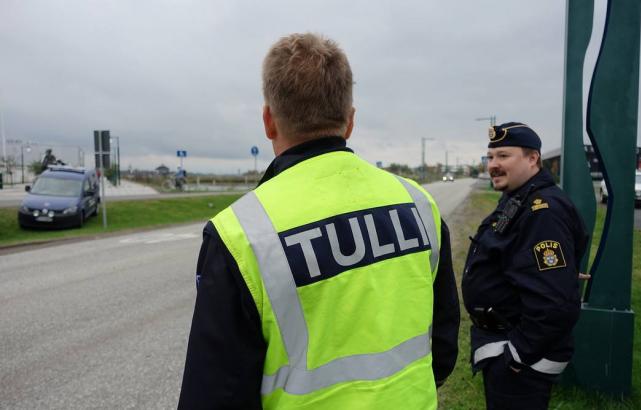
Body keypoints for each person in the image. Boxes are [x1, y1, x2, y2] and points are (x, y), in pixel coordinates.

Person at [178, 33, 460, 410]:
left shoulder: (240, 234)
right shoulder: (418, 204)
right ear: (350, 121)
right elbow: (443, 340)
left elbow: (214, 394)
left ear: (268, 121)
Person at [462, 122, 589, 410]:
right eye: (491, 157)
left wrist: (518, 356)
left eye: (504, 156)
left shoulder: (543, 210)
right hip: (504, 343)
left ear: (533, 159)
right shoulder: (519, 199)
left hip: (521, 360)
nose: (493, 165)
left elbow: (555, 301)